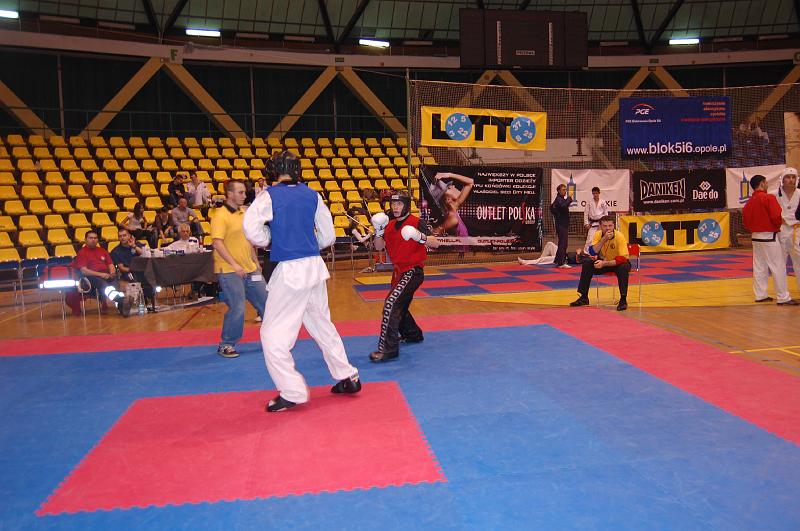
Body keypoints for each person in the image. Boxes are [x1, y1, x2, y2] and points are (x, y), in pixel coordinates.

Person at [243, 151, 361, 412]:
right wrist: (307, 243)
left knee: (272, 334)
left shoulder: (269, 196)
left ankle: (292, 391)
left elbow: (251, 229)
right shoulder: (312, 195)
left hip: (290, 270)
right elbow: (328, 236)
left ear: (273, 170)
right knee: (321, 323)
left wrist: (270, 240)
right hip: (314, 267)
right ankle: (348, 375)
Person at [369, 190, 440, 362]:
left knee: (391, 304)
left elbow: (435, 243)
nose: (395, 207)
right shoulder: (389, 224)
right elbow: (378, 247)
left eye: (399, 203)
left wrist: (419, 236)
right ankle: (413, 334)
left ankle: (388, 349)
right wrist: (378, 231)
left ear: (406, 205)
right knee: (399, 305)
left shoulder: (416, 222)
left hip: (413, 271)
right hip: (398, 272)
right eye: (393, 204)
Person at [211, 180, 269, 358]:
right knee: (237, 307)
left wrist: (256, 262)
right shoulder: (220, 215)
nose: (244, 195)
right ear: (229, 194)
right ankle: (226, 344)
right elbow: (217, 243)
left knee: (268, 304)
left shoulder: (245, 213)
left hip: (250, 269)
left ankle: (274, 340)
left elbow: (248, 240)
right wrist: (235, 264)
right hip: (229, 269)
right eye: (240, 192)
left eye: (244, 192)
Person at [742, 174, 798, 305]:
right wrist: (778, 225)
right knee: (778, 266)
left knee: (759, 266)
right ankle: (783, 297)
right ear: (762, 184)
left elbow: (745, 222)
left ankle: (760, 295)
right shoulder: (768, 198)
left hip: (755, 237)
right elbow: (776, 216)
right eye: (766, 182)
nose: (767, 184)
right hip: (769, 236)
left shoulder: (749, 202)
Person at [569, 216, 631, 311]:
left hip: (617, 263)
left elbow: (623, 258)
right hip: (603, 261)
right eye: (605, 226)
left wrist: (604, 263)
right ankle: (584, 297)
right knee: (587, 264)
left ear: (614, 226)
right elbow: (592, 251)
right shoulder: (598, 234)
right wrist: (603, 239)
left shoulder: (619, 236)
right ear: (600, 226)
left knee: (623, 267)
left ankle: (623, 300)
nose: (608, 228)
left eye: (610, 226)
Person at [65, 230, 132, 317]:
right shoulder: (82, 252)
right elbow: (84, 271)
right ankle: (121, 300)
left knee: (114, 283)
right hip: (92, 276)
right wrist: (101, 275)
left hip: (106, 274)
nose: (93, 240)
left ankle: (121, 306)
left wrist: (112, 273)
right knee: (104, 285)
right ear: (85, 240)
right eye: (91, 238)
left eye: (95, 238)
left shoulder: (102, 251)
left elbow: (111, 265)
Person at [110, 227, 155, 310]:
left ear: (129, 236)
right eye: (120, 236)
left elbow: (145, 255)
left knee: (150, 277)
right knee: (135, 279)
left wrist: (134, 246)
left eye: (124, 235)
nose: (122, 238)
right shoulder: (116, 251)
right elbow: (122, 268)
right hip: (129, 272)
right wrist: (134, 269)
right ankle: (140, 300)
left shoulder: (137, 244)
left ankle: (148, 299)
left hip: (142, 270)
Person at [428, 172, 473, 237]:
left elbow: (470, 183)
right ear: (448, 200)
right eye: (449, 188)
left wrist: (449, 175)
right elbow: (434, 234)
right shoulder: (453, 219)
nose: (453, 186)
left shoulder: (453, 210)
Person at [777, 167, 800, 292]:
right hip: (781, 230)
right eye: (788, 177)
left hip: (797, 230)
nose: (791, 180)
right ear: (782, 179)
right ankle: (782, 295)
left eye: (793, 177)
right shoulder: (774, 194)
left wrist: (787, 219)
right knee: (780, 264)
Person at [551, 184, 573, 268]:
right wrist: (569, 198)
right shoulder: (559, 199)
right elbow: (563, 206)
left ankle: (558, 260)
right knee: (563, 243)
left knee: (562, 243)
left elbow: (551, 208)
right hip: (561, 224)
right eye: (563, 190)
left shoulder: (559, 199)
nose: (565, 191)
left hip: (562, 223)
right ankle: (561, 262)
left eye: (565, 189)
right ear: (559, 191)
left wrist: (557, 214)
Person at [583, 187, 609, 253]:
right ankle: (586, 253)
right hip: (592, 223)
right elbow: (586, 213)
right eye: (594, 193)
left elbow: (606, 213)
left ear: (599, 193)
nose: (595, 195)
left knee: (602, 239)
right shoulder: (589, 201)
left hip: (601, 224)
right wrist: (586, 223)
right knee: (590, 239)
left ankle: (602, 253)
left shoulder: (603, 202)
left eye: (596, 193)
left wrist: (606, 224)